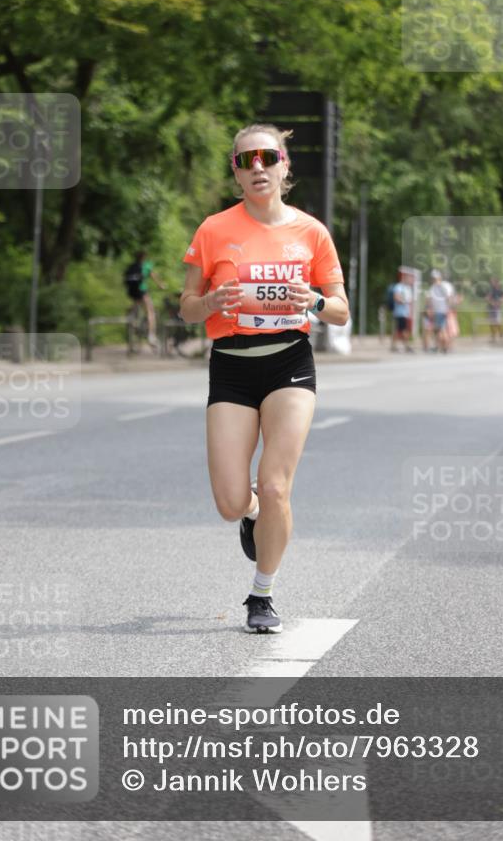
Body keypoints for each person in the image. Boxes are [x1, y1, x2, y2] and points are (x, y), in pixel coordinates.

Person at [180, 123, 349, 633]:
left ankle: (262, 593)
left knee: (276, 485)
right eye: (245, 160)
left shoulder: (311, 232)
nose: (257, 167)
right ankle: (252, 512)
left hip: (289, 362)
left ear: (284, 165)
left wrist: (315, 302)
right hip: (231, 363)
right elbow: (187, 308)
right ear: (235, 170)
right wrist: (208, 303)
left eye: (267, 157)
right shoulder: (213, 229)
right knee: (233, 502)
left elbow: (340, 311)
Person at [123, 250, 166, 348]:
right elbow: (153, 276)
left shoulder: (132, 266)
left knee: (135, 306)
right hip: (142, 290)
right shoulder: (146, 265)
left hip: (132, 292)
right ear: (144, 257)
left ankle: (132, 322)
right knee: (150, 311)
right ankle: (151, 336)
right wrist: (161, 285)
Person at [426, 269, 454, 354]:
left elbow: (430, 301)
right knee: (441, 329)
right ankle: (442, 347)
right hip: (442, 311)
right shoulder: (442, 287)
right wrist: (448, 308)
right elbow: (448, 298)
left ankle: (443, 347)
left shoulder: (434, 287)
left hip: (439, 311)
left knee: (440, 329)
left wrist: (430, 309)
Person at [391, 271, 414, 353]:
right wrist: (404, 301)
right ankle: (406, 345)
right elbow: (396, 298)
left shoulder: (408, 288)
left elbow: (411, 301)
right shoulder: (398, 287)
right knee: (402, 329)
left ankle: (394, 346)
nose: (409, 280)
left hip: (406, 313)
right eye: (408, 278)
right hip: (399, 312)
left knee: (399, 329)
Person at [485, 276, 503, 344]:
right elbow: (487, 298)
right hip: (491, 308)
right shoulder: (490, 290)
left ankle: (501, 333)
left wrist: (500, 302)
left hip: (498, 308)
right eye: (491, 282)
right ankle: (493, 336)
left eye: (493, 282)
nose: (491, 283)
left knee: (498, 322)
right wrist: (491, 302)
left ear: (496, 283)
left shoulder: (500, 290)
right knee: (491, 323)